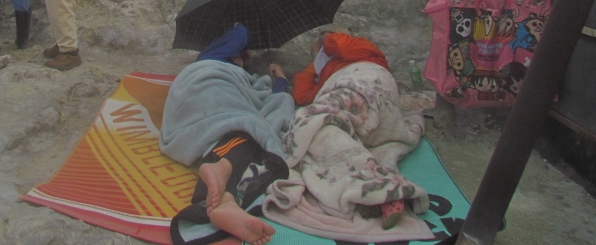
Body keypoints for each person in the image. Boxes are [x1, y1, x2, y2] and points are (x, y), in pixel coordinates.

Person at [262, 32, 431, 240]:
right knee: (321, 132)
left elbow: (341, 45)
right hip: (357, 117)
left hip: (366, 83)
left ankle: (376, 192)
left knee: (307, 120)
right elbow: (302, 96)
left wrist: (325, 39)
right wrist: (314, 66)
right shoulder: (326, 74)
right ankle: (372, 192)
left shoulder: (366, 53)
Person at [160, 23, 294, 245]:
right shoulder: (213, 57)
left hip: (212, 107)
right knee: (253, 126)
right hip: (205, 84)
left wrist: (280, 79)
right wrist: (238, 30)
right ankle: (222, 167)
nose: (243, 60)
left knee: (260, 140)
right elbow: (241, 32)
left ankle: (225, 201)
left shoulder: (244, 78)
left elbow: (271, 100)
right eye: (241, 55)